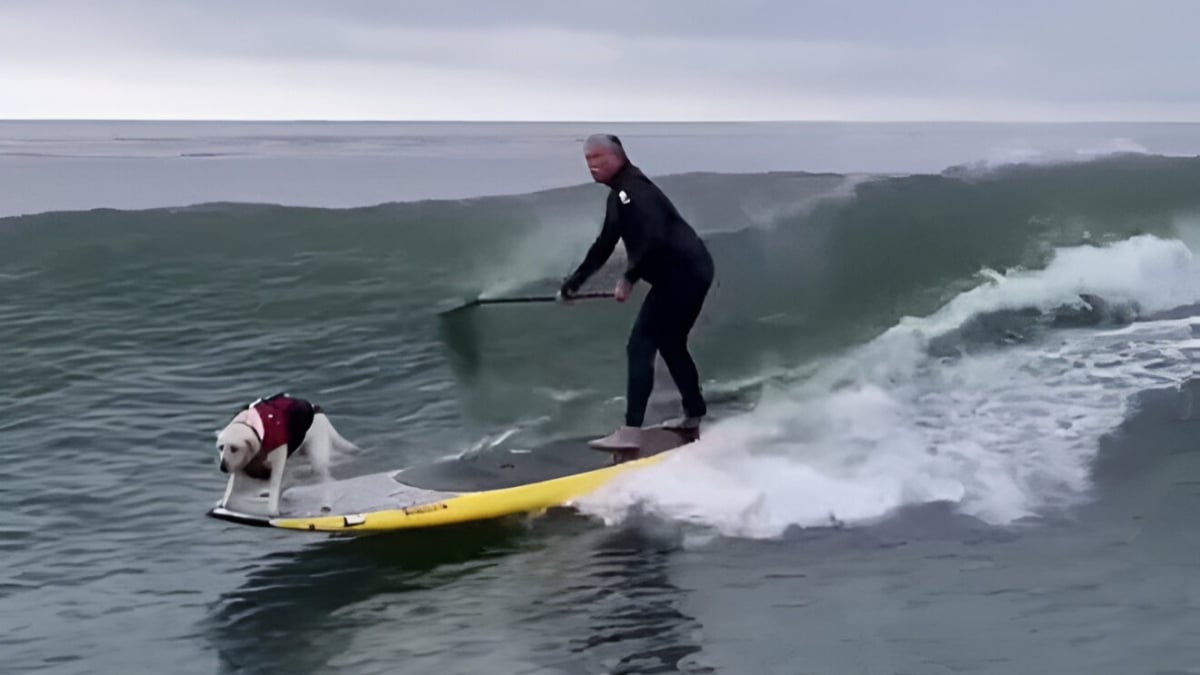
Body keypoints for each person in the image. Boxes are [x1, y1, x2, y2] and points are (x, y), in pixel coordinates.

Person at [559, 134, 715, 449]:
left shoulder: (634, 192)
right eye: (588, 161)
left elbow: (655, 236)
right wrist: (574, 283)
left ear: (617, 157)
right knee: (671, 344)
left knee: (640, 347)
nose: (592, 167)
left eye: (598, 159)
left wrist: (629, 277)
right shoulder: (620, 194)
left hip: (682, 276)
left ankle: (631, 431)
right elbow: (604, 244)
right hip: (691, 272)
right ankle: (694, 413)